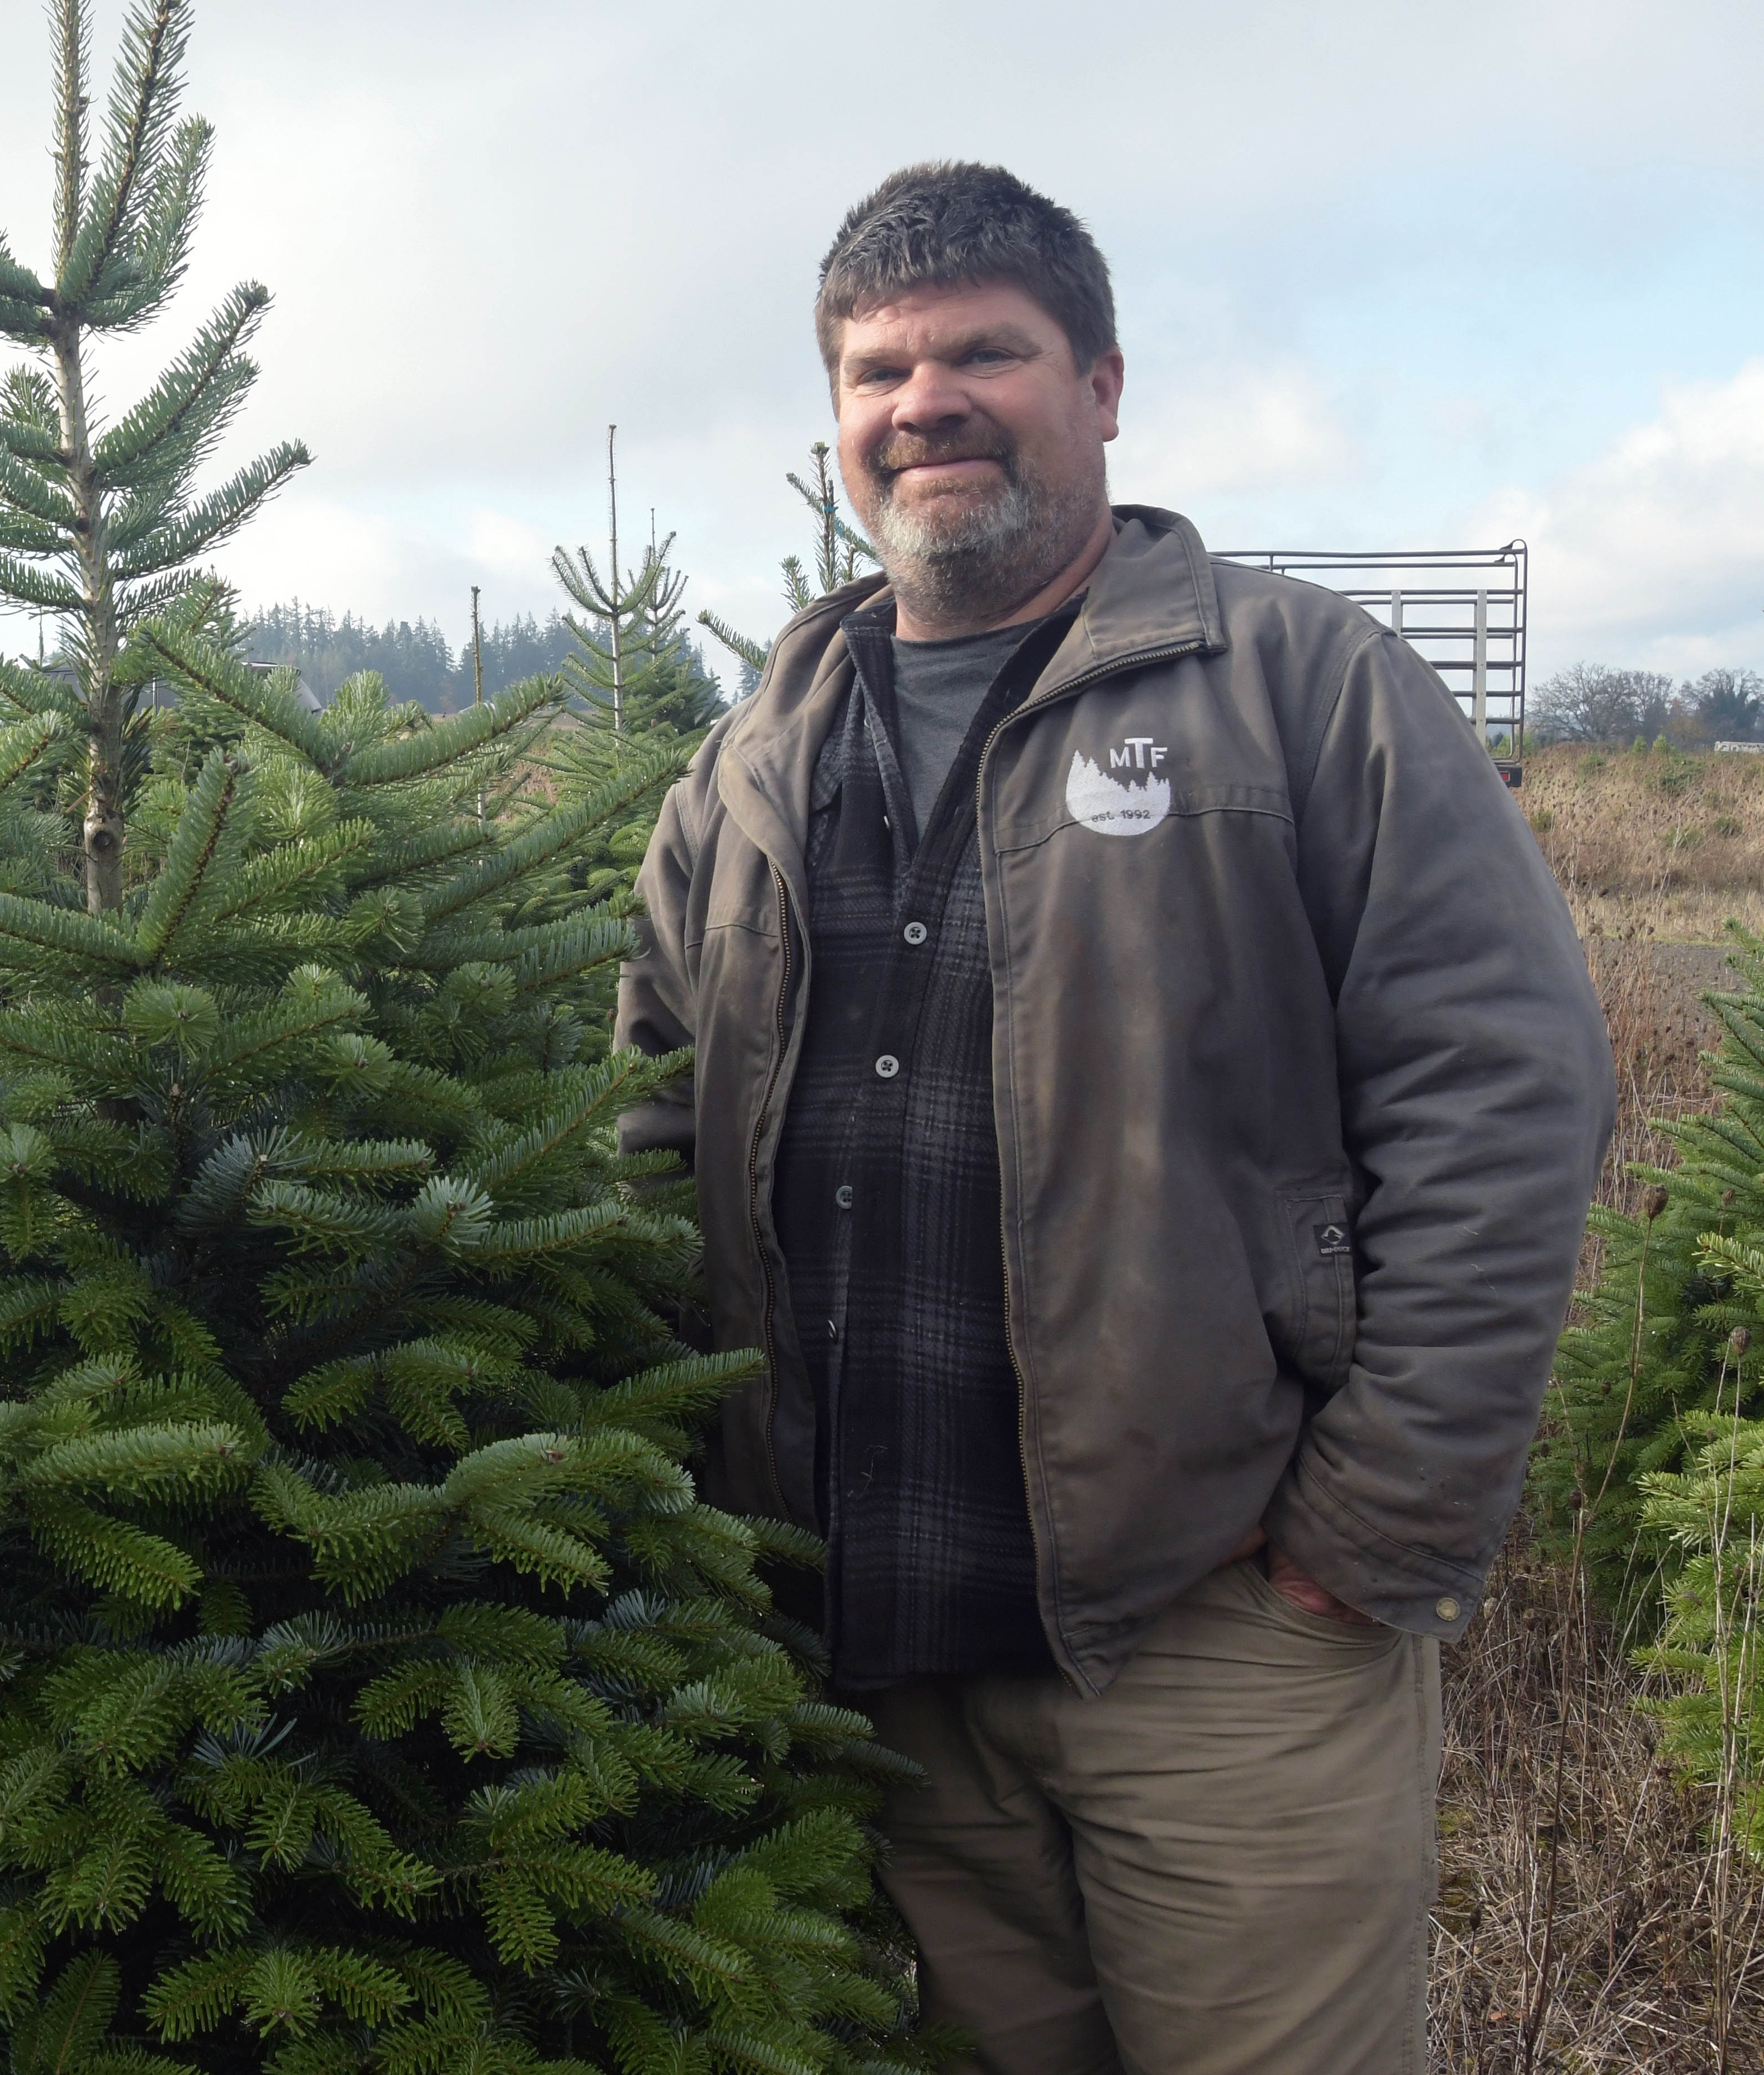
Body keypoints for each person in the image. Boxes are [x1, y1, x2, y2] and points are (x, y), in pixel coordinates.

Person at [615, 164, 1611, 2074]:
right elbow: (649, 1137)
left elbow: (1507, 1099)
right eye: (879, 366)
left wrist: (1370, 1534)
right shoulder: (749, 765)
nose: (928, 400)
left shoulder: (1301, 691)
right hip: (889, 1656)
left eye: (987, 348)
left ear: (1104, 383)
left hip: (1226, 1629)